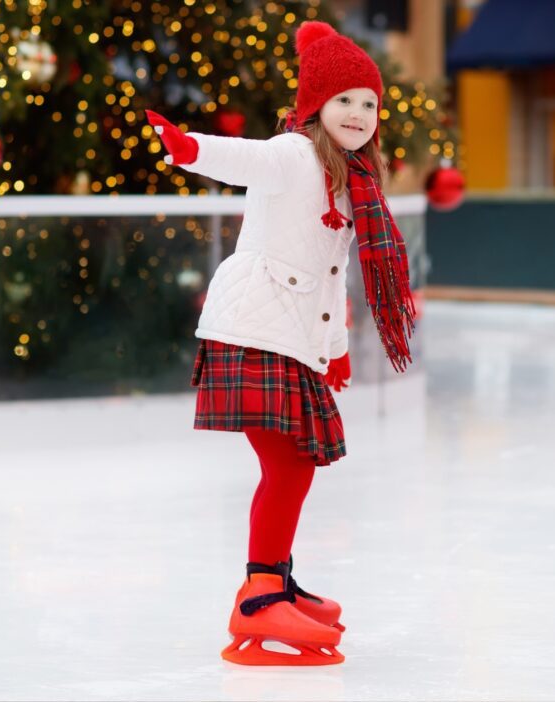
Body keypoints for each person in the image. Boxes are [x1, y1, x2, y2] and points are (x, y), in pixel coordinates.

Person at [145, 21, 415, 666]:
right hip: (251, 332)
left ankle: (274, 582)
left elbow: (327, 277)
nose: (357, 113)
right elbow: (246, 158)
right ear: (315, 107)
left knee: (292, 464)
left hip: (285, 337)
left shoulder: (355, 181)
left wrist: (336, 347)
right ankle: (261, 597)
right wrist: (188, 149)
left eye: (369, 103)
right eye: (344, 100)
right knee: (290, 464)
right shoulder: (296, 155)